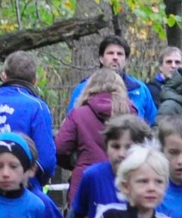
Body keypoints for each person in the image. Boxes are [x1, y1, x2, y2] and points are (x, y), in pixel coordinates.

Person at [0, 51, 58, 181]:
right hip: (25, 194)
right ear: (35, 80)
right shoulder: (37, 108)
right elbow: (46, 163)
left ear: (3, 76)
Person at [57, 70, 134, 206]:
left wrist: (75, 162)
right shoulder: (130, 113)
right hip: (122, 181)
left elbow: (60, 148)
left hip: (85, 184)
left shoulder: (79, 114)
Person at [65, 36, 159, 124]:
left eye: (120, 54)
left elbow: (152, 123)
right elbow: (71, 122)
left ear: (125, 60)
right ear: (101, 58)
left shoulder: (140, 89)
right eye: (110, 53)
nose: (115, 57)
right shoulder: (83, 88)